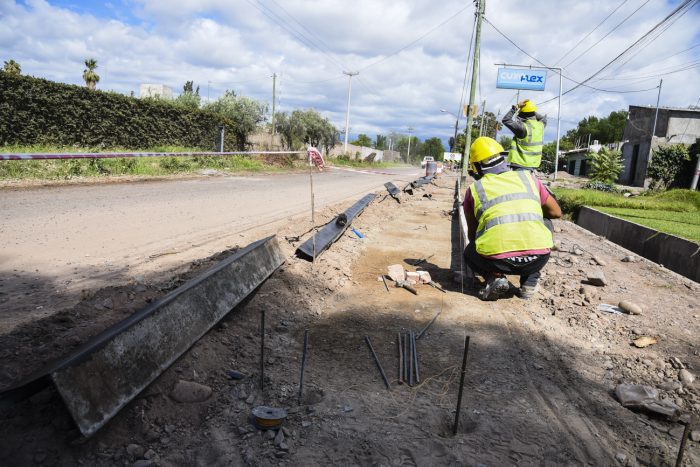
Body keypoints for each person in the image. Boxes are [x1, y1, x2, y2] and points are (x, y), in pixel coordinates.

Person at [463, 137, 562, 301]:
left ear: (477, 168)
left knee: (470, 251)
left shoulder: (475, 189)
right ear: (504, 159)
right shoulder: (529, 179)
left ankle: (494, 277)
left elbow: (472, 235)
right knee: (545, 222)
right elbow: (556, 212)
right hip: (537, 259)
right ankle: (529, 281)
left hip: (497, 262)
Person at [502, 99, 546, 171]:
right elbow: (543, 118)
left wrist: (515, 108)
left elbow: (506, 120)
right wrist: (531, 110)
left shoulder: (522, 127)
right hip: (533, 164)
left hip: (520, 164)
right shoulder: (541, 125)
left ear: (522, 114)